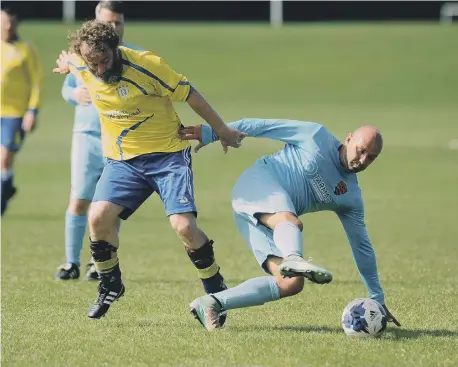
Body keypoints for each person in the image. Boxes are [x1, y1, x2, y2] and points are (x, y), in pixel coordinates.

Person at [52, 20, 246, 319]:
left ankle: (216, 290)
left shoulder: (147, 65)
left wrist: (221, 129)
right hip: (123, 161)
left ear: (115, 49)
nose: (100, 70)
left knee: (184, 227)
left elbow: (191, 94)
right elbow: (73, 62)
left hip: (167, 157)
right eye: (93, 64)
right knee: (97, 217)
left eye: (105, 61)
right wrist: (68, 64)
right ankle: (110, 284)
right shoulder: (82, 62)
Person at [179, 118, 401, 331]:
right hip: (256, 185)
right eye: (361, 150)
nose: (362, 160)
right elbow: (262, 126)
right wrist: (212, 133)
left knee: (291, 283)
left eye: (370, 157)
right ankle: (294, 257)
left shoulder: (350, 197)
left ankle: (211, 303)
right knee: (289, 220)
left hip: (258, 221)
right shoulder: (315, 136)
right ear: (349, 138)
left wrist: (377, 299)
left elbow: (361, 246)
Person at [55, 1, 143, 282]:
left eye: (117, 23)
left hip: (117, 140)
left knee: (109, 204)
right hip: (87, 136)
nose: (112, 28)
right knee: (80, 199)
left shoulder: (131, 56)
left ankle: (100, 262)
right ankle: (71, 262)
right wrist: (74, 95)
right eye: (107, 23)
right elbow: (67, 89)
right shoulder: (81, 56)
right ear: (96, 22)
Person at [1, 6, 42, 216]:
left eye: (11, 22)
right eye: (4, 22)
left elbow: (36, 83)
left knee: (5, 156)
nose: (8, 26)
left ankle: (2, 197)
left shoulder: (25, 50)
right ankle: (7, 187)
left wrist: (32, 111)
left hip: (14, 113)